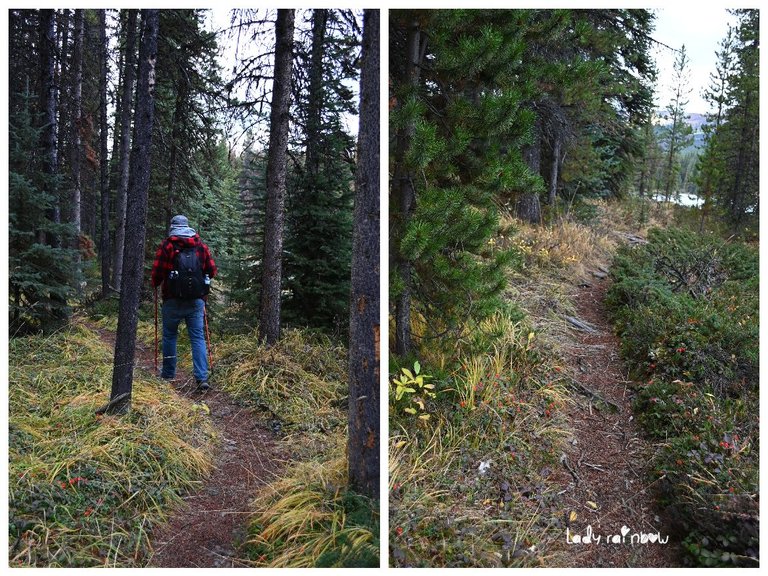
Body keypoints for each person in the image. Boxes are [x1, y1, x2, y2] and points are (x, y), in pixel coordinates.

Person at [151, 215, 217, 391]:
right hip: (196, 301)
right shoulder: (200, 246)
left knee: (170, 336)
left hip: (171, 300)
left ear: (172, 227)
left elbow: (157, 272)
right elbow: (212, 270)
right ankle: (202, 377)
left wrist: (155, 284)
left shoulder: (167, 246)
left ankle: (168, 375)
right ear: (188, 227)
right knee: (197, 338)